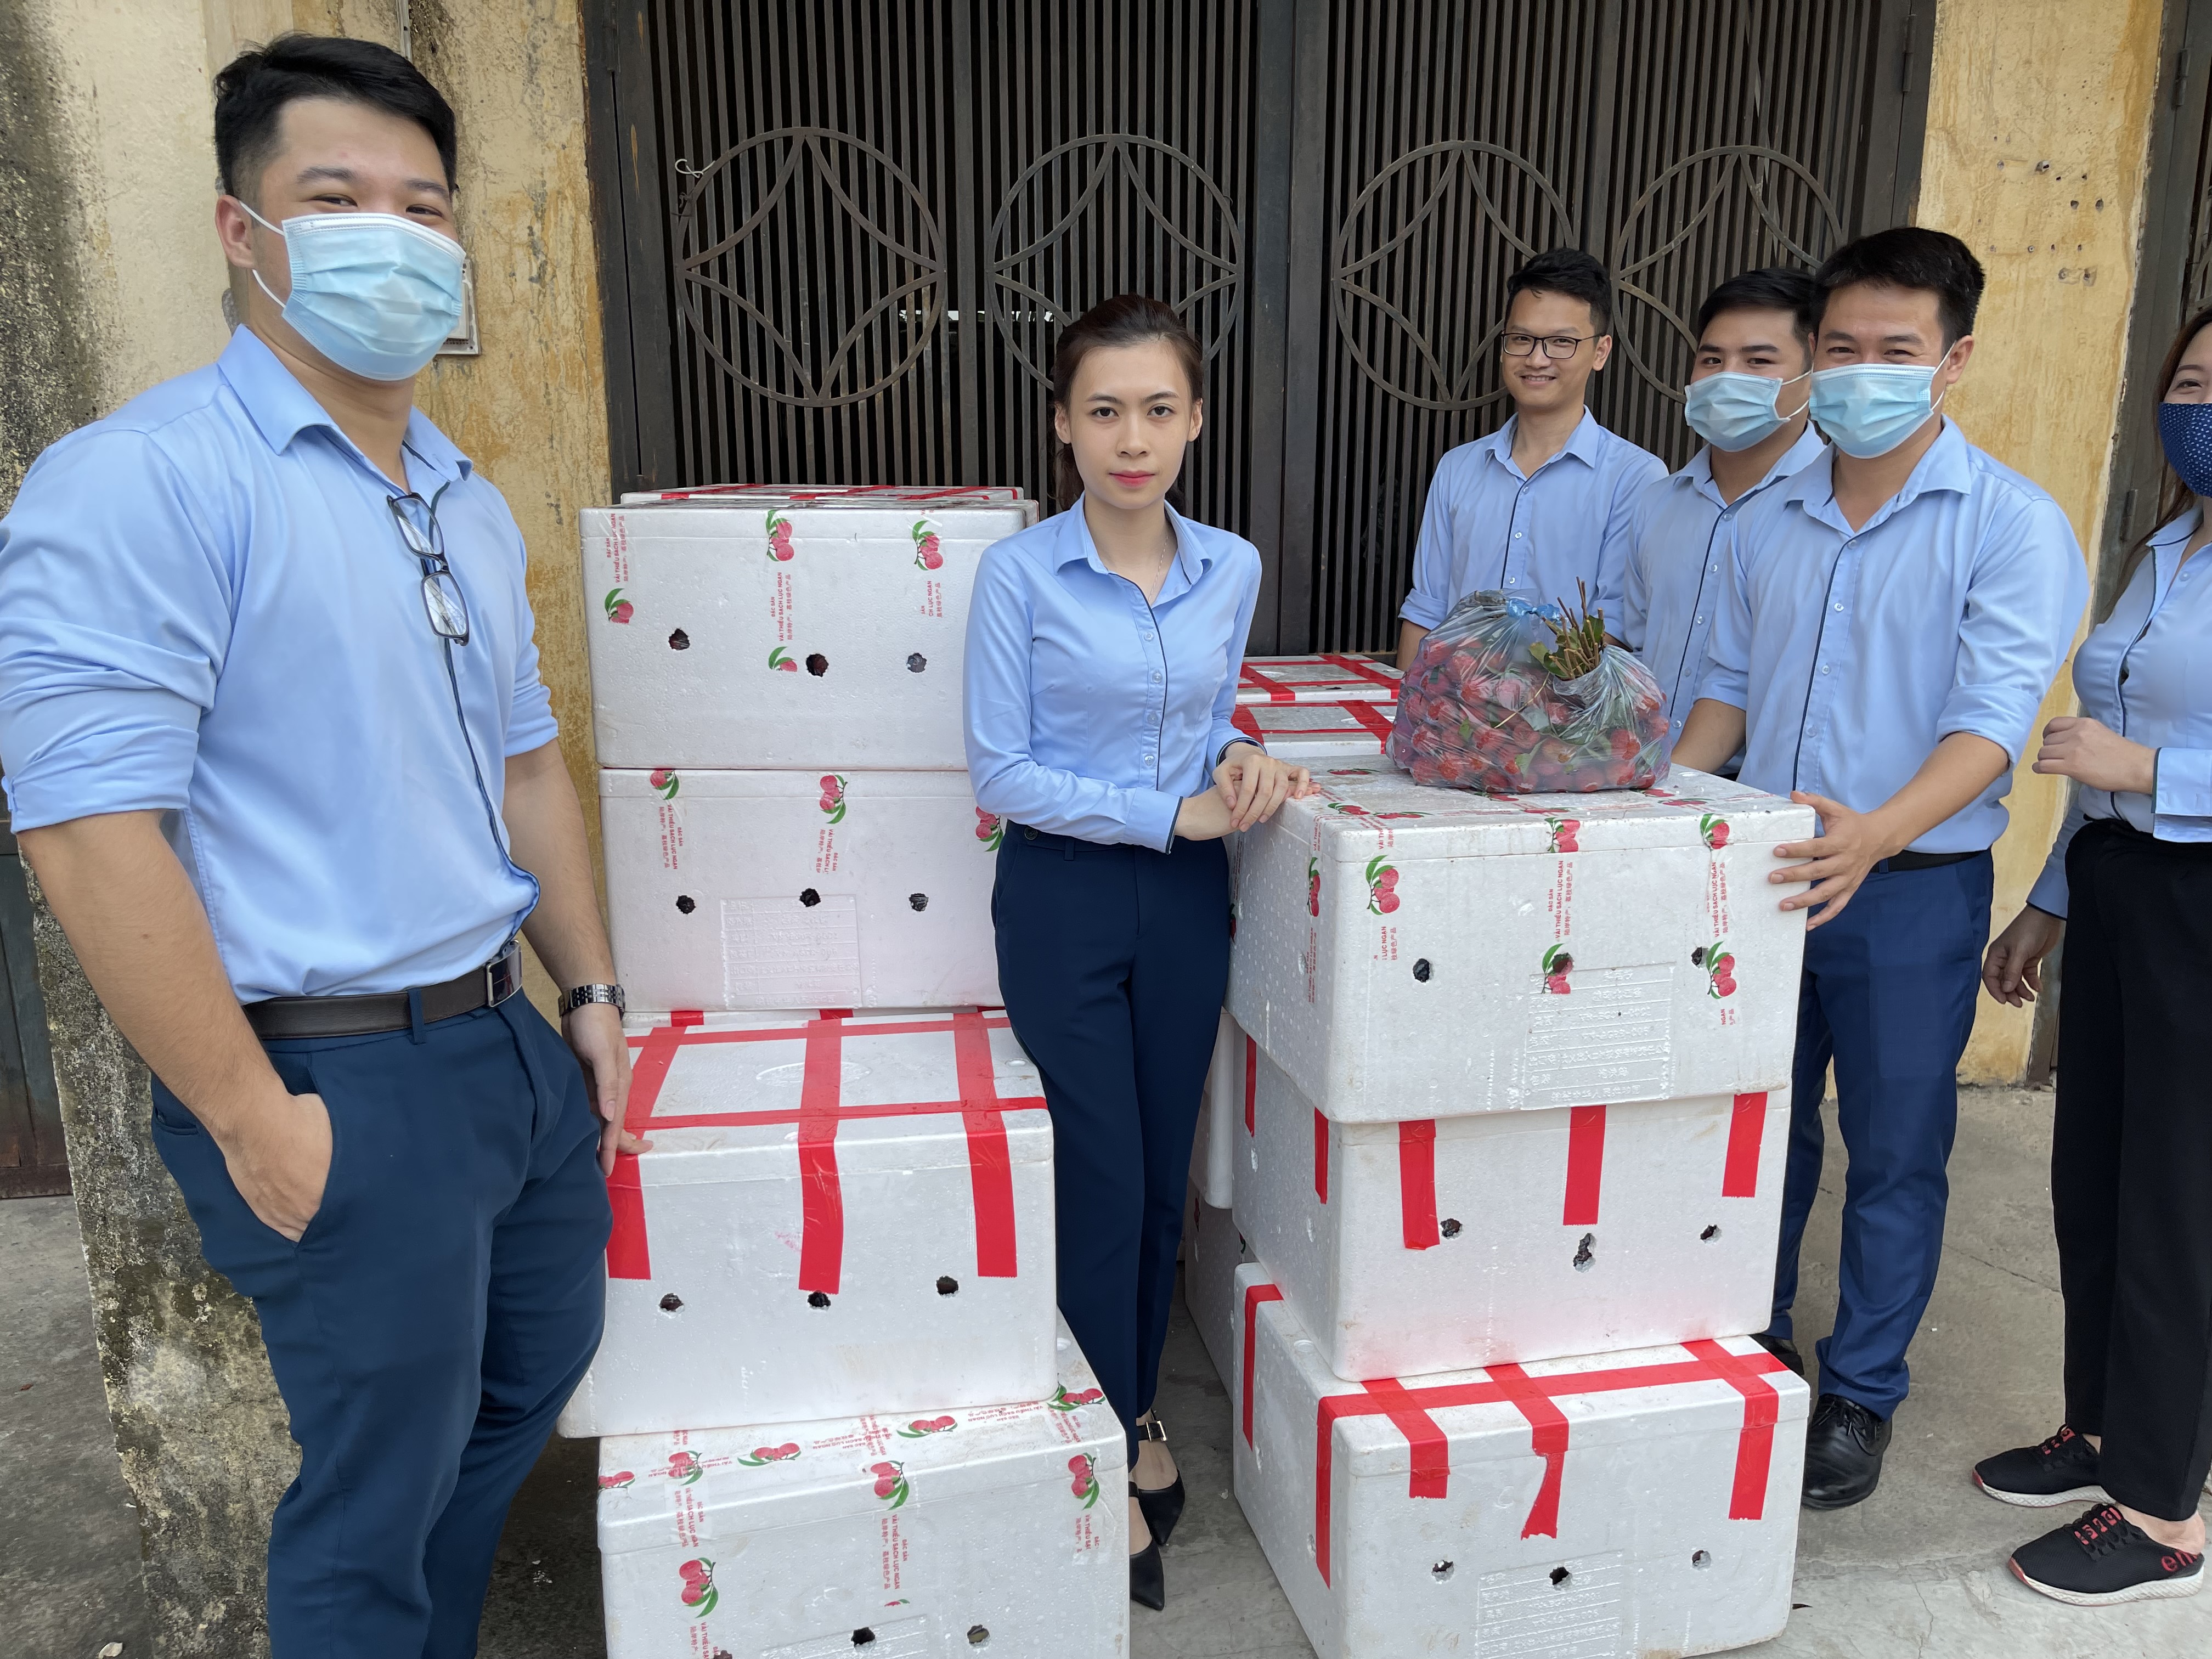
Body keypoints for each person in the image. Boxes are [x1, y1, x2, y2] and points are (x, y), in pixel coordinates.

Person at [0, 36, 642, 1656]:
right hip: (331, 1074)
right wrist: (250, 1118)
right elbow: (85, 830)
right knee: (371, 1504)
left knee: (527, 1387)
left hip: (505, 1047)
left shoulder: (460, 499)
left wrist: (587, 991)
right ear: (244, 231)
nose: (392, 239)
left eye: (424, 208)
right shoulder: (144, 484)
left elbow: (528, 764)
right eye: (337, 198)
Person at [1672, 227, 2087, 1510]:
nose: (1863, 373)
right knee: (1756, 1127)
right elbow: (1728, 691)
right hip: (1761, 878)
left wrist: (1876, 832)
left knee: (1897, 1148)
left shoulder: (2012, 526)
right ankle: (1755, 1336)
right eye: (1842, 349)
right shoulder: (1775, 516)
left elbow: (1990, 727)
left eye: (1895, 350)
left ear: (1953, 361)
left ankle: (1861, 1390)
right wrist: (1659, 809)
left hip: (1907, 892)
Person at [963, 295, 1312, 1611]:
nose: (1132, 438)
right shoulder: (1020, 575)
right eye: (1103, 411)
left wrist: (1238, 752)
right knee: (1099, 1177)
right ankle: (1099, 1446)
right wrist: (1169, 813)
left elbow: (1207, 711)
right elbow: (1002, 770)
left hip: (1183, 898)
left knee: (1167, 1176)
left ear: (1196, 419)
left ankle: (1134, 1407)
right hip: (1063, 895)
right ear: (1063, 425)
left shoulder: (1231, 566)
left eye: (1158, 409)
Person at [1971, 307, 2212, 1605]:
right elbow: (2091, 744)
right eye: (2193, 382)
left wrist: (2153, 772)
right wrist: (2051, 900)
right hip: (2121, 887)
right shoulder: (2165, 548)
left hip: (2202, 901)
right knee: (2097, 1181)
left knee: (2178, 1204)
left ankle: (2166, 1511)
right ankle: (2106, 1428)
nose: (2202, 408)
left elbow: (2125, 753)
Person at [1396, 247, 1666, 667]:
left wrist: (1513, 700)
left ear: (1600, 352)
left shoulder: (1636, 478)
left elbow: (1615, 628)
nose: (1537, 359)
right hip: (1449, 706)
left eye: (1562, 342)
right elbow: (1427, 612)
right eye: (1522, 339)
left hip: (1566, 708)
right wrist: (1406, 703)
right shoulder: (1458, 468)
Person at [1618, 267, 1827, 754]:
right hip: (1648, 771)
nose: (1728, 377)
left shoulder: (1830, 511)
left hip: (1764, 786)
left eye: (1758, 361)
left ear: (1814, 374)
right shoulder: (1657, 503)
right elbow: (1635, 649)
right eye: (1712, 359)